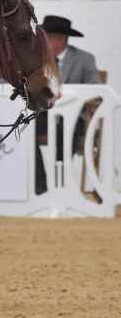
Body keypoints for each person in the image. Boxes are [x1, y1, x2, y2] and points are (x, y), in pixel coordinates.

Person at [35, 15, 102, 194]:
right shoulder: (37, 60)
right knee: (25, 132)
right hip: (45, 114)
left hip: (74, 117)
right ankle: (40, 186)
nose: (42, 42)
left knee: (67, 130)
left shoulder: (84, 59)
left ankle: (60, 185)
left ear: (60, 40)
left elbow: (97, 91)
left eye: (46, 37)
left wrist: (72, 97)